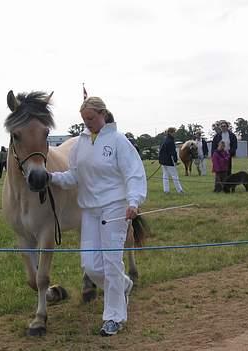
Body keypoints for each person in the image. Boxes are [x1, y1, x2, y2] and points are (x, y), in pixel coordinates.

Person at [49, 96, 147, 337]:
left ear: (103, 114)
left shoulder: (118, 141)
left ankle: (114, 317)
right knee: (91, 266)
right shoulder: (81, 144)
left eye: (91, 118)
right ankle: (123, 285)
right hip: (90, 211)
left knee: (112, 263)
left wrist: (133, 202)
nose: (88, 123)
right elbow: (73, 176)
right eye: (84, 120)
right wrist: (50, 177)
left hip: (114, 207)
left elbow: (134, 173)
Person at [158, 127, 184, 193]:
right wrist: (175, 161)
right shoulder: (170, 141)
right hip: (169, 161)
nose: (174, 134)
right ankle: (179, 190)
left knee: (165, 175)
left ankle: (166, 190)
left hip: (163, 161)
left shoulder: (164, 140)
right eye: (173, 132)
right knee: (174, 175)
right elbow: (173, 152)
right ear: (170, 132)